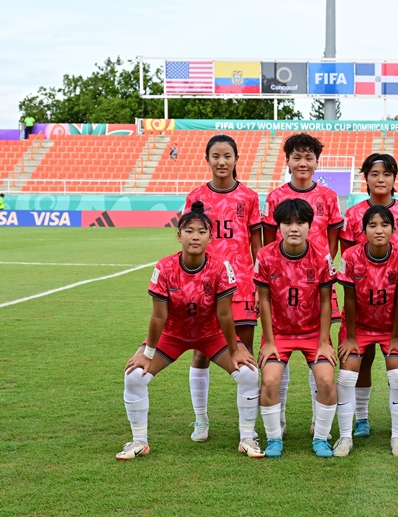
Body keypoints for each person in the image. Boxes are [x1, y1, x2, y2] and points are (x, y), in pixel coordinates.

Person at [116, 202, 262, 460]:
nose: (195, 236)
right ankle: (139, 441)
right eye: (189, 231)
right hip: (172, 335)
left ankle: (247, 438)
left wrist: (234, 349)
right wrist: (147, 353)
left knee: (249, 373)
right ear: (179, 235)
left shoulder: (221, 267)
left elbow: (224, 314)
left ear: (210, 237)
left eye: (202, 231)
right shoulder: (164, 267)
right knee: (134, 376)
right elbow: (159, 315)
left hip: (211, 334)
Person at [261, 133, 343, 436]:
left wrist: (321, 267)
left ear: (317, 162)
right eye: (297, 157)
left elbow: (333, 239)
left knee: (320, 351)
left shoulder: (329, 197)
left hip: (316, 282)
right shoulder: (275, 197)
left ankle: (317, 421)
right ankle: (278, 420)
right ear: (287, 161)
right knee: (276, 360)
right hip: (281, 285)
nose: (303, 163)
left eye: (309, 157)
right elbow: (268, 242)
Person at [339, 153, 398, 438]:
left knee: (397, 358)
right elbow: (349, 257)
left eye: (387, 174)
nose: (380, 179)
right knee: (361, 359)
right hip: (362, 300)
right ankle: (361, 419)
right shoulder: (353, 214)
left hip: (397, 297)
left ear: (394, 178)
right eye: (374, 174)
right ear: (365, 178)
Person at [183, 135, 262, 443]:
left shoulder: (249, 197)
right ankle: (201, 420)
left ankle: (248, 427)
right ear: (207, 160)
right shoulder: (195, 197)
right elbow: (189, 243)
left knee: (245, 354)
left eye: (227, 155)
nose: (221, 161)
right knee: (200, 353)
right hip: (204, 287)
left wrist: (260, 283)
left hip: (242, 285)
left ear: (236, 159)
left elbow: (257, 246)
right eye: (215, 156)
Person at [254, 198, 338, 458]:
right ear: (278, 226)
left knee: (327, 380)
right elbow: (264, 300)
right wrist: (269, 341)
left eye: (300, 222)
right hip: (279, 334)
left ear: (310, 226)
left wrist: (324, 342)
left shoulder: (321, 256)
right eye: (287, 222)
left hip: (313, 334)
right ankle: (274, 438)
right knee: (269, 381)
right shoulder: (265, 255)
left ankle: (321, 437)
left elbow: (326, 301)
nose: (293, 228)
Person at [334, 205, 398, 457]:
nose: (379, 230)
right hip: (358, 327)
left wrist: (396, 336)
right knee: (347, 375)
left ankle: (397, 437)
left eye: (384, 225)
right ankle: (347, 436)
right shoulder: (351, 256)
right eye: (372, 225)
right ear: (363, 230)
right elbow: (349, 299)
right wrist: (350, 337)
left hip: (389, 327)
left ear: (393, 229)